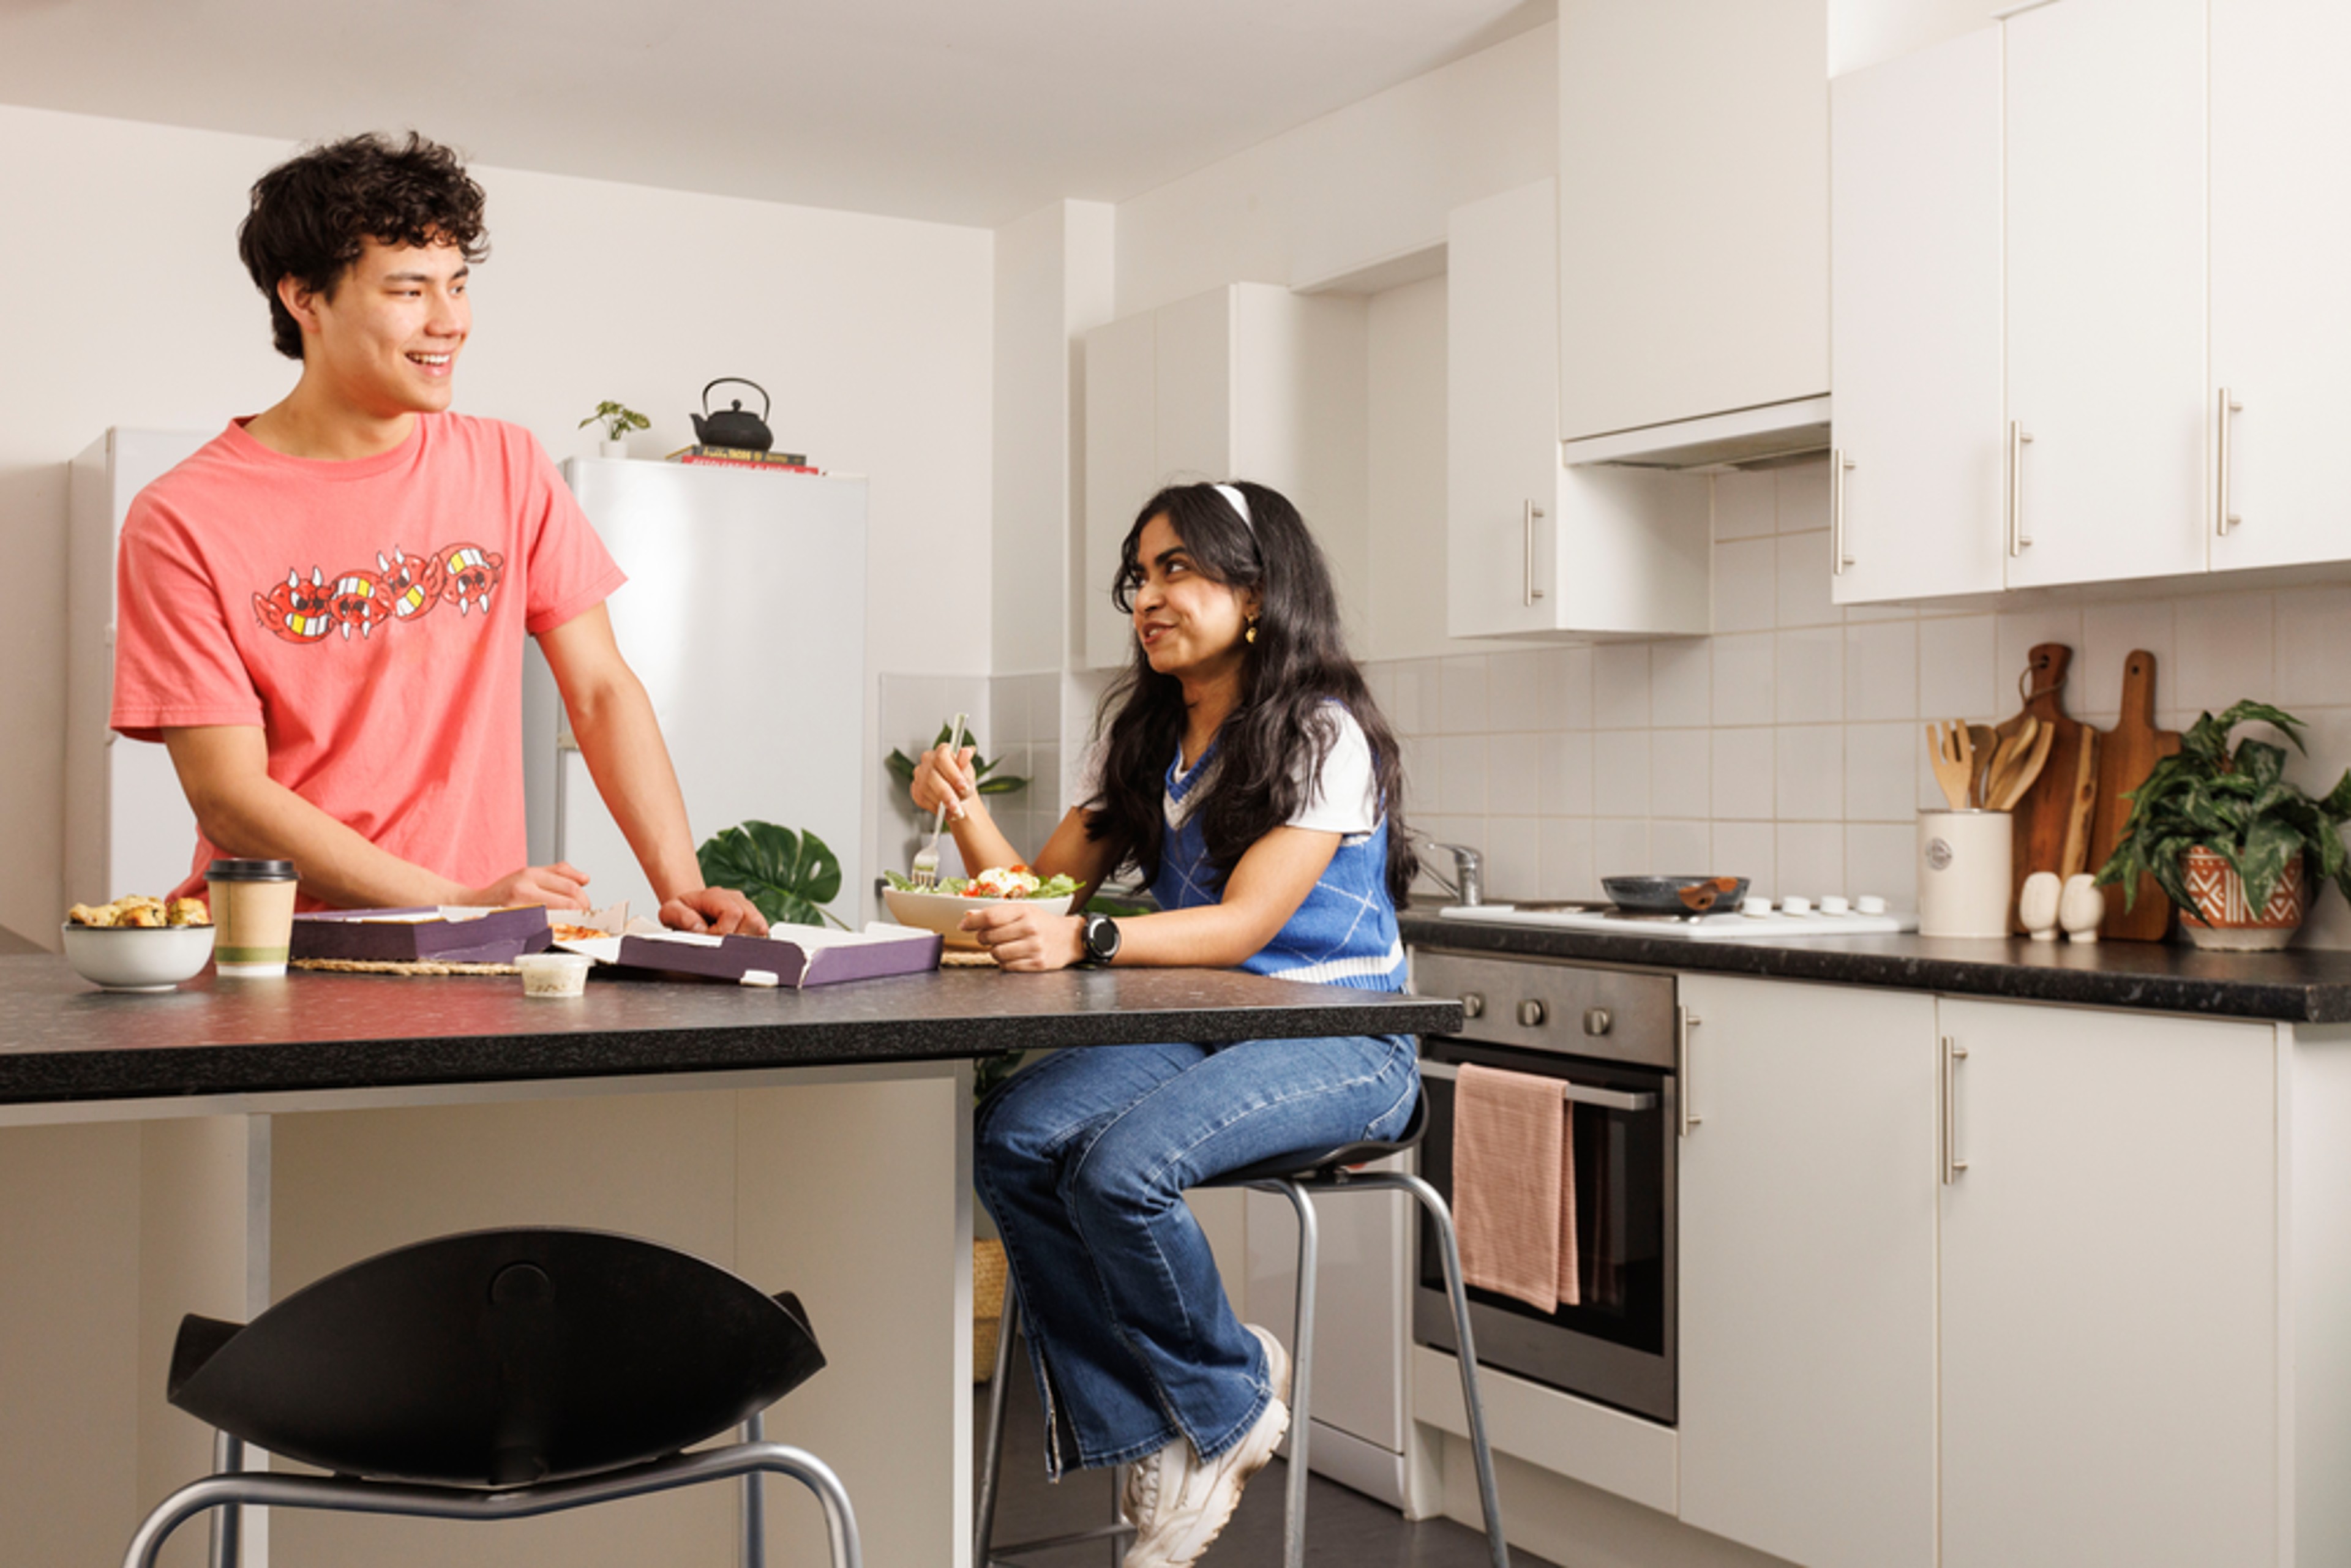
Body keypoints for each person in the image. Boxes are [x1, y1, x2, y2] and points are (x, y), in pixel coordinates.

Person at [910, 479, 1419, 1568]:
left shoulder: (1323, 733)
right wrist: (962, 810)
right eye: (1140, 574)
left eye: (1179, 567)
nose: (1149, 593)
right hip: (1209, 1030)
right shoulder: (1143, 737)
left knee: (1119, 1168)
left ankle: (1224, 1395)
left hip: (1343, 1038)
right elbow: (1042, 893)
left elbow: (1242, 926)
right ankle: (1184, 1423)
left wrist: (1089, 942)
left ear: (1259, 587)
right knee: (1010, 1137)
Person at [109, 132, 762, 934]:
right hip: (281, 954)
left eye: (457, 285)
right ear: (303, 298)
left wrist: (681, 884)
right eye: (410, 290)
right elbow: (230, 798)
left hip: (472, 956)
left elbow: (600, 690)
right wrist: (453, 900)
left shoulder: (508, 465)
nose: (450, 321)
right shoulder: (182, 517)